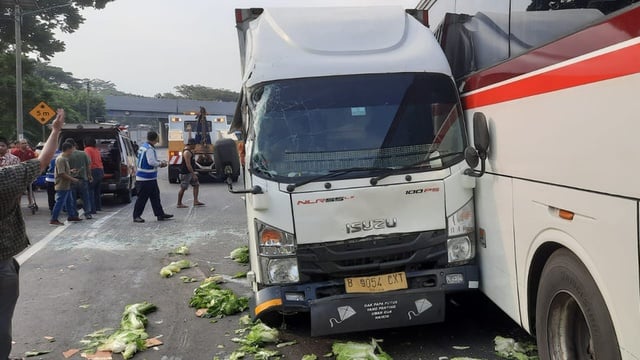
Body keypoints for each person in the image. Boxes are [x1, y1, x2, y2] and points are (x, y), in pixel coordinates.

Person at [0, 108, 65, 360]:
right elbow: (44, 159)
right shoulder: (6, 178)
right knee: (2, 318)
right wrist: (56, 130)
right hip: (2, 264)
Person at [132, 131, 173, 223]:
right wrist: (161, 164)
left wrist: (158, 161)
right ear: (155, 139)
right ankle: (136, 216)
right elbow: (151, 162)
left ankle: (160, 214)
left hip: (149, 178)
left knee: (155, 197)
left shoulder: (143, 147)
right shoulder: (149, 149)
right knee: (142, 199)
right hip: (145, 178)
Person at [50, 142, 82, 226]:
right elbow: (61, 173)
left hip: (66, 185)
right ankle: (54, 219)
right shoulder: (61, 159)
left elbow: (64, 171)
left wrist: (70, 171)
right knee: (60, 202)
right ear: (68, 149)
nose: (73, 151)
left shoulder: (65, 159)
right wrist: (73, 179)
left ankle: (71, 216)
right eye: (72, 149)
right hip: (62, 185)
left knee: (69, 201)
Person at [65, 138, 93, 219]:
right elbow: (88, 166)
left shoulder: (67, 155)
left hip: (71, 179)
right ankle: (87, 213)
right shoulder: (83, 154)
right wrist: (90, 176)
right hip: (83, 179)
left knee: (72, 198)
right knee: (85, 197)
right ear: (75, 145)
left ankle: (74, 214)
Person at [177, 138, 204, 208]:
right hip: (185, 173)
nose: (195, 146)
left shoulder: (190, 151)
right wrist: (193, 174)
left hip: (189, 172)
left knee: (196, 185)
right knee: (183, 188)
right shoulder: (187, 152)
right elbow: (188, 164)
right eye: (194, 145)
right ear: (191, 144)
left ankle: (195, 201)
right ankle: (179, 203)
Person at [11, 139, 37, 208]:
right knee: (19, 191)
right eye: (22, 143)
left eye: (25, 143)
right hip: (18, 174)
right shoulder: (15, 152)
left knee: (30, 189)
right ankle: (18, 205)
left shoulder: (30, 152)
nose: (24, 144)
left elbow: (34, 161)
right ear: (19, 144)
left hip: (28, 173)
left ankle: (30, 203)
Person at [83, 137, 104, 214]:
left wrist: (88, 174)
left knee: (90, 190)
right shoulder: (96, 150)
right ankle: (98, 207)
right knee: (97, 191)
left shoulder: (87, 150)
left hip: (93, 170)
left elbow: (88, 162)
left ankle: (92, 209)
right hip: (100, 170)